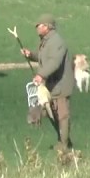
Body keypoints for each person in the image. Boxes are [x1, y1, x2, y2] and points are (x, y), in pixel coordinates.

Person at [21, 14, 76, 152]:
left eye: (39, 25)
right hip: (51, 85)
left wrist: (41, 74)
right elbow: (43, 58)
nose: (37, 28)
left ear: (47, 26)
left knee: (62, 115)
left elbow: (54, 62)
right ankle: (63, 142)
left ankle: (64, 144)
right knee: (53, 115)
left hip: (61, 85)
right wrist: (31, 55)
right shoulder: (46, 41)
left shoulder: (57, 42)